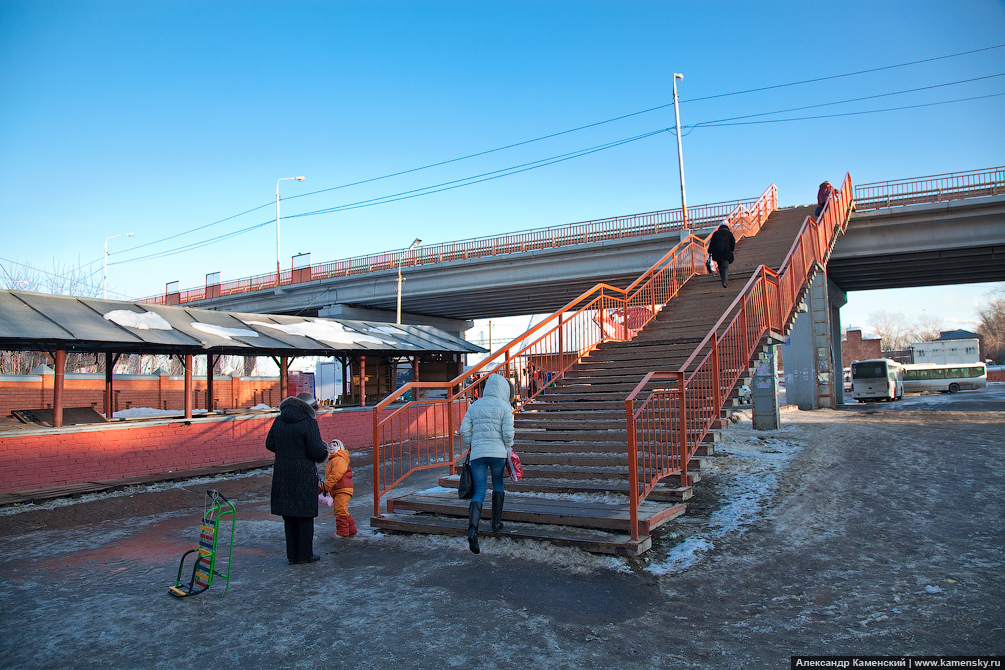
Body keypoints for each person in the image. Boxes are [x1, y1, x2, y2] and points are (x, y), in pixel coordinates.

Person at [266, 392, 329, 564]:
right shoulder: (309, 423)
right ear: (309, 407)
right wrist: (325, 450)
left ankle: (292, 555)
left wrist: (286, 451)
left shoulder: (279, 420)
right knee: (305, 516)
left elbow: (269, 444)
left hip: (282, 474)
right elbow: (316, 451)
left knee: (289, 516)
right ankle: (305, 554)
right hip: (303, 475)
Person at [458, 373, 515, 554]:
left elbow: (464, 429)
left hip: (478, 454)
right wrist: (507, 447)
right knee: (498, 484)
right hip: (497, 454)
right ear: (503, 390)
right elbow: (508, 433)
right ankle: (496, 522)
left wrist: (472, 444)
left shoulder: (476, 406)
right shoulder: (504, 407)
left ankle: (473, 530)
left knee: (479, 492)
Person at [321, 438, 357, 538]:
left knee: (340, 510)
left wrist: (324, 487)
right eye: (330, 445)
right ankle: (351, 530)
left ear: (340, 448)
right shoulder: (334, 460)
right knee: (343, 510)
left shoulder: (338, 459)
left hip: (342, 489)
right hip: (339, 489)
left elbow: (335, 476)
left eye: (335, 445)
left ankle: (342, 533)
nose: (331, 446)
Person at [707, 222, 736, 288]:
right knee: (725, 266)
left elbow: (712, 243)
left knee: (720, 267)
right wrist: (731, 250)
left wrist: (710, 251)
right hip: (726, 253)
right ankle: (724, 281)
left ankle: (723, 279)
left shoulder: (715, 234)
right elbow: (732, 243)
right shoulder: (729, 234)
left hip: (717, 254)